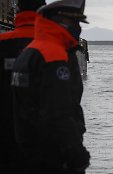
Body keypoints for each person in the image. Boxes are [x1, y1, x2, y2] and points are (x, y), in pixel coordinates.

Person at [11, 0, 90, 173]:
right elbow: (58, 113)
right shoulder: (53, 55)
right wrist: (77, 155)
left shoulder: (29, 52)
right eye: (74, 21)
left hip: (27, 154)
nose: (77, 27)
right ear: (59, 20)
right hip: (54, 158)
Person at [0, 0, 46, 173]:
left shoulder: (3, 43)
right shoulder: (56, 48)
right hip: (43, 149)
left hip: (5, 144)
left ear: (17, 9)